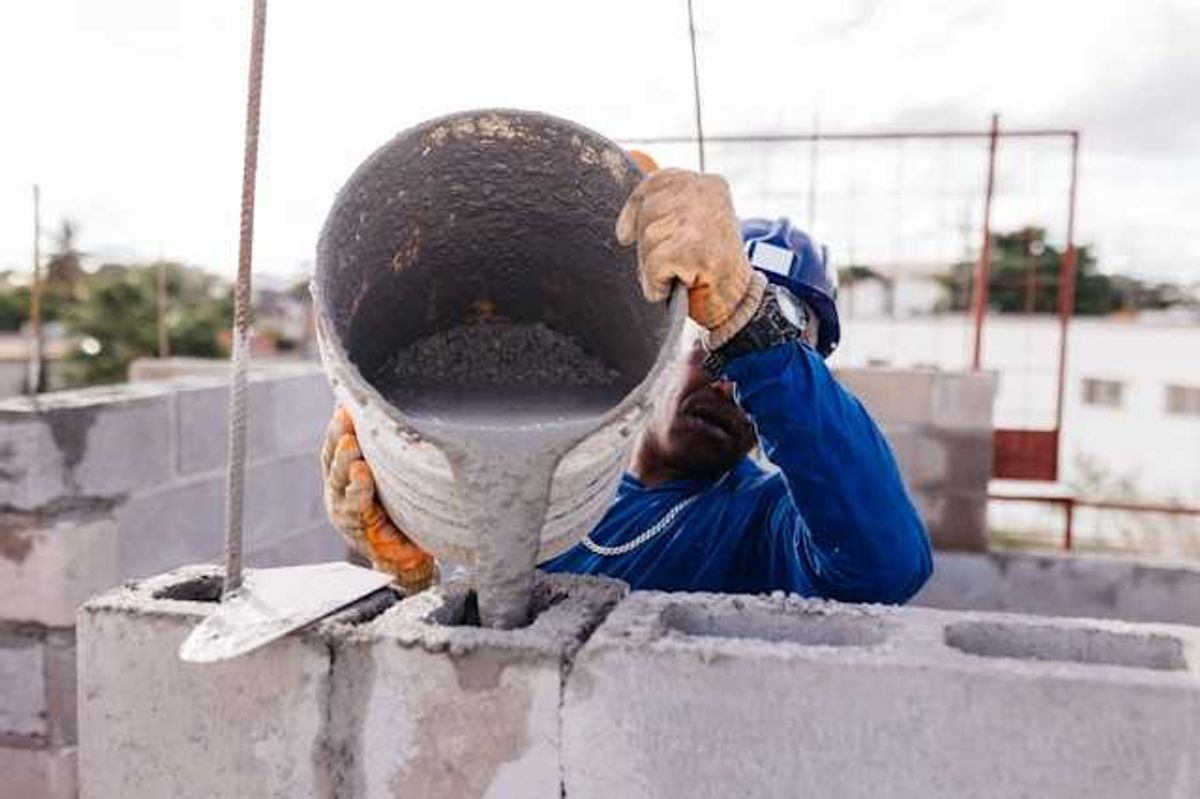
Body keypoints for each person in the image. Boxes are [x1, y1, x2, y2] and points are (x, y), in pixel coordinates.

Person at [320, 168, 932, 604]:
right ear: (664, 345)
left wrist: (745, 317)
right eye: (709, 338)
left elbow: (888, 566)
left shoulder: (763, 526)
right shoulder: (559, 480)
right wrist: (416, 574)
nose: (726, 387)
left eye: (754, 346)